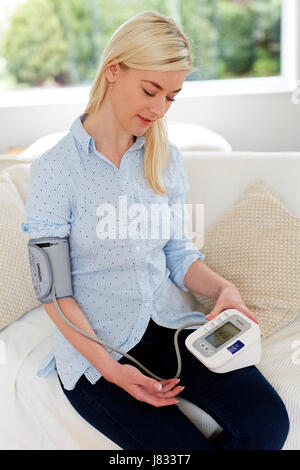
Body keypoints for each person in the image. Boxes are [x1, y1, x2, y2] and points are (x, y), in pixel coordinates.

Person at [21, 11, 289, 450]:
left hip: (168, 325)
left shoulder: (164, 158)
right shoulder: (55, 171)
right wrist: (112, 370)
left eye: (171, 97)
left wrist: (225, 289)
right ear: (113, 70)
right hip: (97, 351)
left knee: (267, 425)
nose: (159, 109)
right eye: (150, 90)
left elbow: (178, 255)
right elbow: (53, 291)